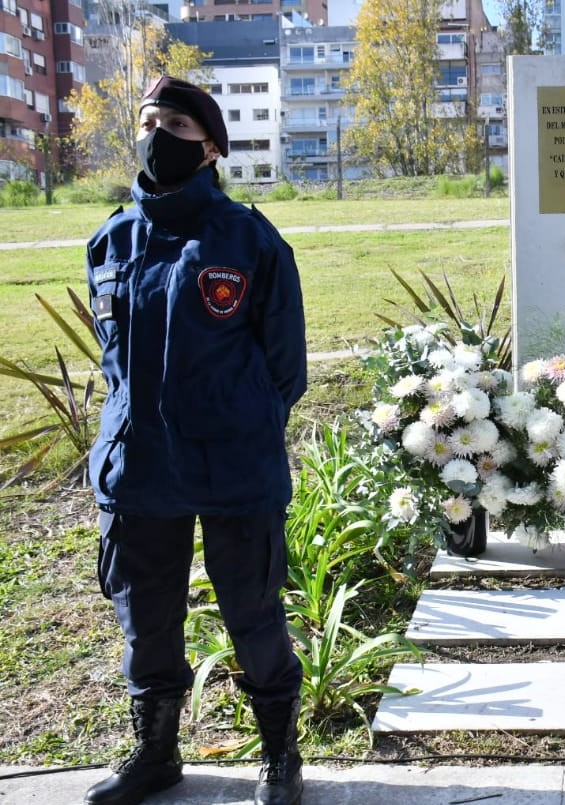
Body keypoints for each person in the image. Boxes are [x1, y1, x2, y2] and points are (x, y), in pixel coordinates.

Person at [84, 76, 307, 805]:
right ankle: (156, 755)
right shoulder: (109, 242)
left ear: (210, 147)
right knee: (146, 619)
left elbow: (286, 368)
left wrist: (231, 423)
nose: (157, 133)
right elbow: (114, 360)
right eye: (149, 119)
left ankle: (280, 755)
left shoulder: (250, 239)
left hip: (234, 466)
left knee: (253, 614)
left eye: (176, 122)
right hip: (140, 467)